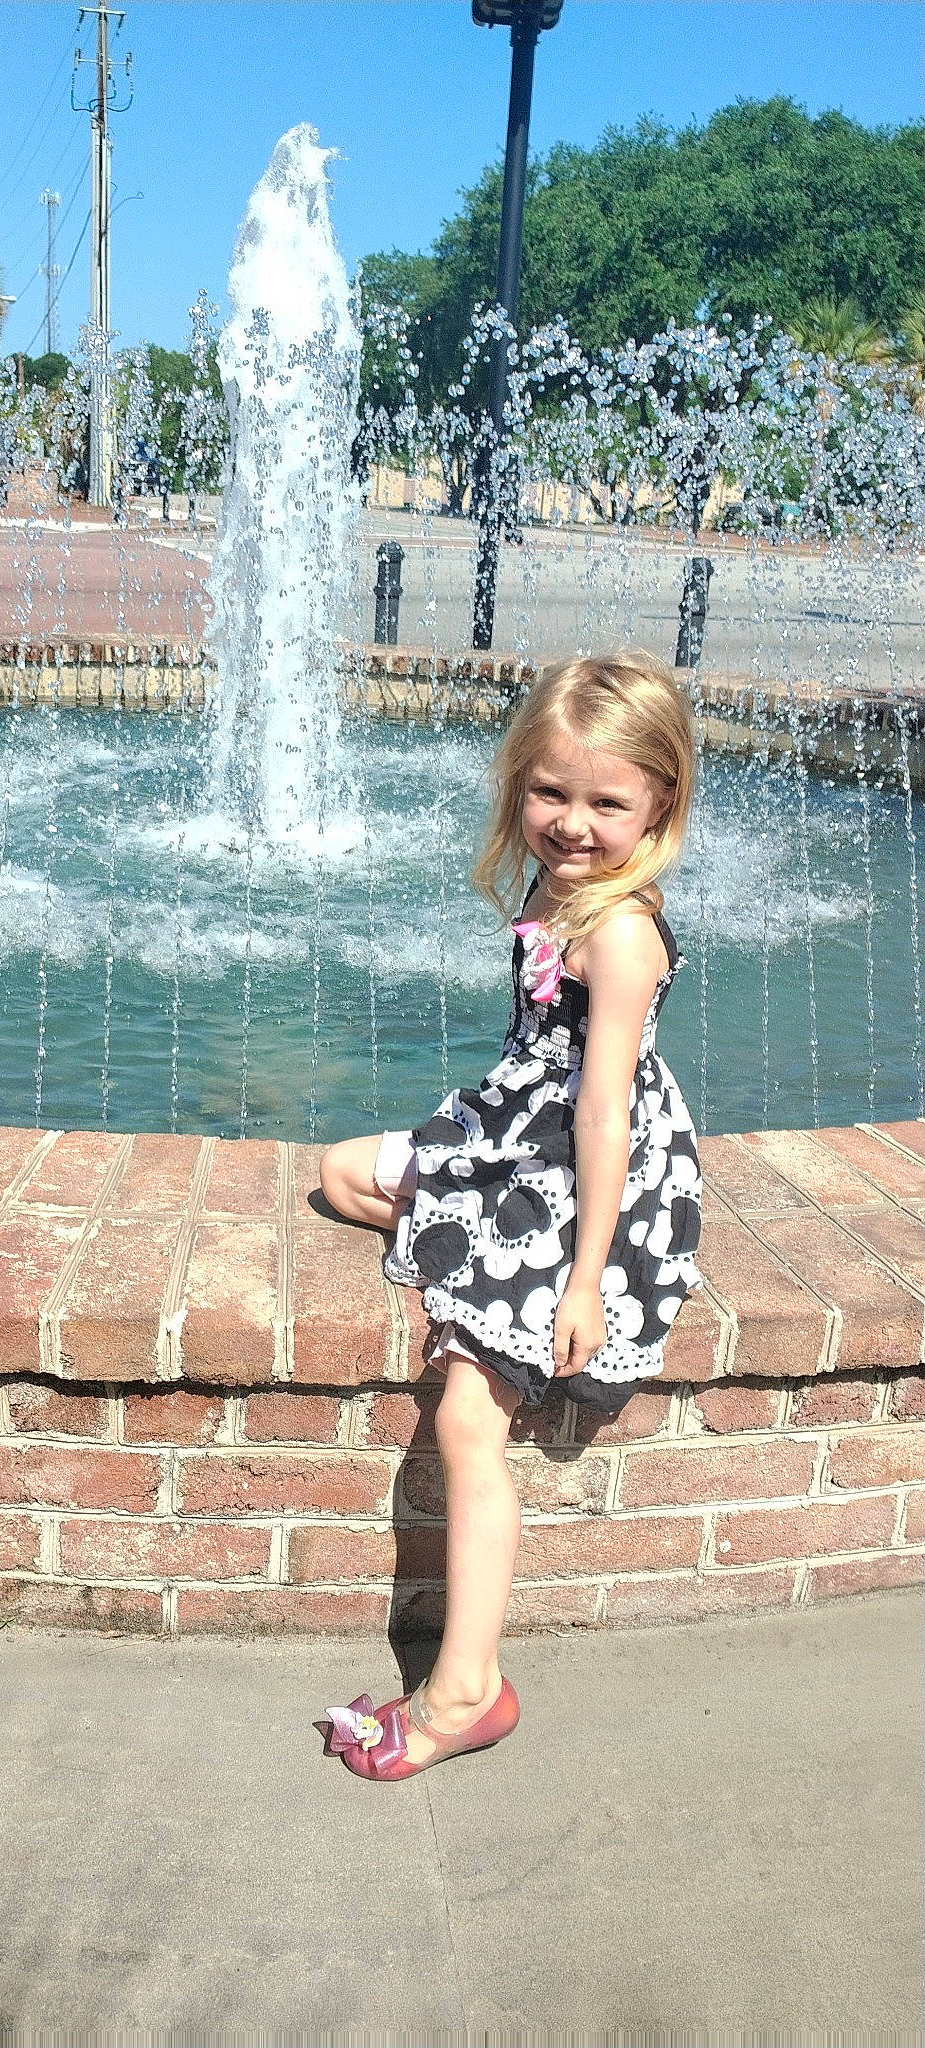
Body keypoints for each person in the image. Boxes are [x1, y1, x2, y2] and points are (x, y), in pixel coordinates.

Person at [319, 650, 703, 1782]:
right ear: (518, 784)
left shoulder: (619, 933)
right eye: (550, 793)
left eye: (605, 802)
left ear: (659, 805)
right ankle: (475, 1260)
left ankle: (465, 1689)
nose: (571, 822)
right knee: (343, 1173)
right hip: (516, 1137)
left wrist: (583, 1279)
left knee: (466, 1420)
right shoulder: (553, 893)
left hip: (588, 1178)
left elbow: (603, 1114)